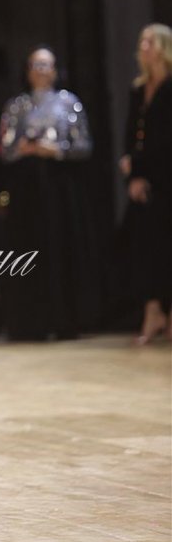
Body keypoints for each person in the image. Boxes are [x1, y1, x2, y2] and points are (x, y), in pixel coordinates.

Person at [0, 46, 93, 340]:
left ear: (55, 70)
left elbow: (84, 146)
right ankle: (30, 323)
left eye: (46, 64)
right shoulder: (16, 105)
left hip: (59, 186)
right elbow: (4, 149)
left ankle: (65, 320)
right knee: (28, 249)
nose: (40, 70)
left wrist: (57, 151)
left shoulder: (69, 102)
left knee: (61, 247)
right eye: (35, 65)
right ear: (27, 71)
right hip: (27, 189)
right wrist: (23, 149)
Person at [118, 23, 172, 345]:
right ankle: (153, 311)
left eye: (149, 41)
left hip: (167, 177)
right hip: (146, 181)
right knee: (146, 245)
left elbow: (166, 139)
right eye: (141, 41)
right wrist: (134, 173)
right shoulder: (138, 89)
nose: (143, 46)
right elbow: (132, 135)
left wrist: (139, 165)